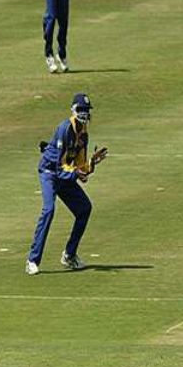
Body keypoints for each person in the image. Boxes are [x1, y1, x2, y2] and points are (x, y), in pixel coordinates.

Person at [26, 94, 108, 275]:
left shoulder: (84, 134)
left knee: (84, 208)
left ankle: (69, 255)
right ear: (74, 110)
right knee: (49, 210)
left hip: (64, 175)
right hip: (49, 173)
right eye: (81, 110)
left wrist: (92, 163)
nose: (85, 114)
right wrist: (75, 173)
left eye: (87, 111)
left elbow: (81, 169)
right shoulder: (65, 128)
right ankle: (32, 259)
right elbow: (58, 166)